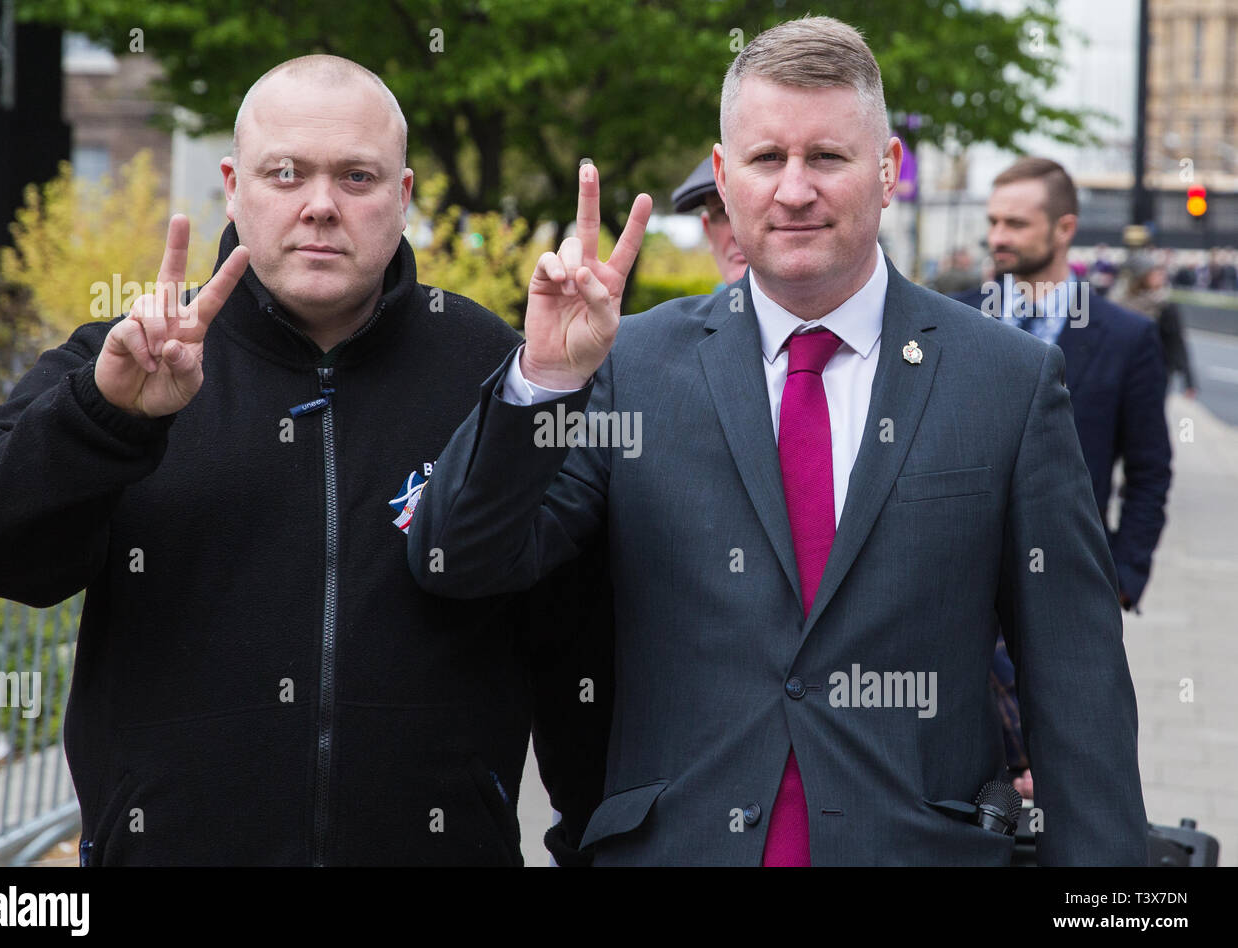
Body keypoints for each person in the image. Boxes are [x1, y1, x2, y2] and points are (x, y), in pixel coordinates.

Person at [409, 16, 1148, 865]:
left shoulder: (1009, 381)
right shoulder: (628, 366)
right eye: (766, 159)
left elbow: (1078, 685)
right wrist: (542, 380)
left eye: (827, 157)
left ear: (887, 172)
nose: (794, 190)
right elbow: (457, 562)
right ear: (724, 179)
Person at [0, 54, 604, 865]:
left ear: (403, 194)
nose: (320, 206)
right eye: (285, 173)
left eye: (356, 177)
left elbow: (574, 644)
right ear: (232, 184)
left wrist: (590, 846)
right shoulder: (127, 361)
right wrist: (103, 420)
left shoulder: (500, 370)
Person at [956, 158, 1172, 800]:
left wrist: (1122, 581)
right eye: (993, 221)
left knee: (1063, 768)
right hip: (956, 576)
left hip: (1065, 585)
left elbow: (1151, 470)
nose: (998, 236)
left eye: (1016, 224)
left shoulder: (1127, 336)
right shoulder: (951, 319)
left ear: (1065, 228)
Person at [1119, 263, 1197, 398]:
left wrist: (1188, 380)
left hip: (1158, 367)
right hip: (1128, 365)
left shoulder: (1166, 305)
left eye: (1162, 275)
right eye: (1156, 275)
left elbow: (1176, 341)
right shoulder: (1125, 303)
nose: (1161, 278)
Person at [671, 156, 748, 287]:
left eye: (748, 211)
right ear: (708, 231)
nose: (736, 235)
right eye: (721, 212)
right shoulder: (712, 305)